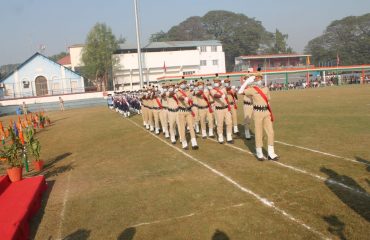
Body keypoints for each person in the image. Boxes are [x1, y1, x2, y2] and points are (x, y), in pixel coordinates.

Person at [238, 73, 279, 161]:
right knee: (259, 132)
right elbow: (240, 92)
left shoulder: (266, 88)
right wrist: (247, 82)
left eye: (259, 77)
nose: (258, 79)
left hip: (266, 112)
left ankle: (271, 153)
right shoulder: (252, 89)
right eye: (256, 78)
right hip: (257, 112)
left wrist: (270, 112)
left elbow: (268, 101)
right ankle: (259, 152)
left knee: (271, 132)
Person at [175, 79, 198, 150]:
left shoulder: (188, 91)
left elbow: (191, 98)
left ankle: (194, 142)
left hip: (188, 111)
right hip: (181, 111)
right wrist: (185, 98)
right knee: (182, 127)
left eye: (184, 83)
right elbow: (180, 97)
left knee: (191, 126)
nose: (183, 84)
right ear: (179, 85)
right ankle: (184, 143)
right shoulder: (178, 92)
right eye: (182, 83)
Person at [210, 77, 233, 144]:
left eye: (217, 81)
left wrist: (228, 84)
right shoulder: (212, 90)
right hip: (219, 109)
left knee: (229, 122)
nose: (216, 83)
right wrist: (221, 96)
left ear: (220, 82)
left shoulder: (223, 88)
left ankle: (229, 136)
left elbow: (228, 89)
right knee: (220, 124)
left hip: (226, 108)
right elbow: (215, 95)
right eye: (215, 82)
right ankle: (220, 136)